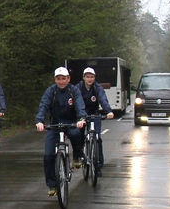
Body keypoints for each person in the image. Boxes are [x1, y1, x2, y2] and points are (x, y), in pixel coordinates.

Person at [35, 66, 87, 196]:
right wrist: (39, 121)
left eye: (64, 78)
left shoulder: (73, 91)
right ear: (55, 79)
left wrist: (81, 118)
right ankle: (52, 185)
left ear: (68, 78)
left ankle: (77, 156)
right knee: (48, 156)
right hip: (55, 125)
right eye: (58, 79)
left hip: (71, 123)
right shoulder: (50, 91)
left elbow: (80, 105)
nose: (61, 81)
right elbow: (44, 105)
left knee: (76, 134)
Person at [76, 67, 114, 176]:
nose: (89, 79)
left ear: (94, 78)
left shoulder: (98, 88)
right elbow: (76, 101)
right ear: (84, 78)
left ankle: (98, 165)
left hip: (94, 114)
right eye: (87, 77)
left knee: (97, 138)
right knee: (79, 136)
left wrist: (108, 111)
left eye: (92, 77)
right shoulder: (78, 88)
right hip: (81, 115)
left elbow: (103, 99)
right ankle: (81, 155)